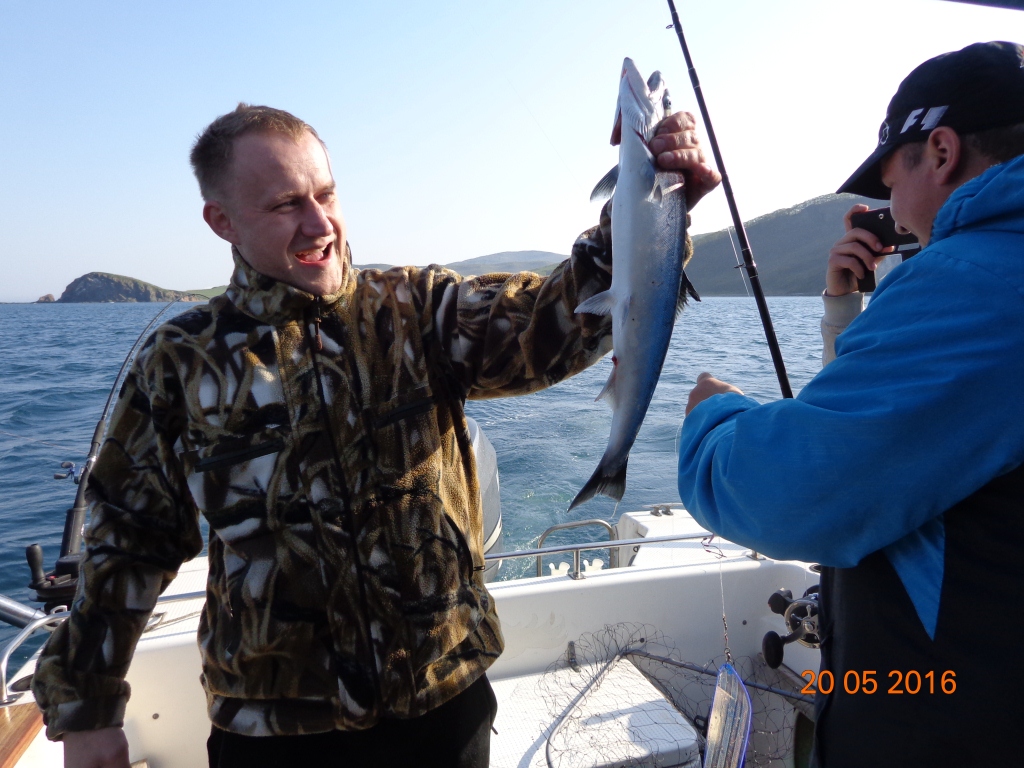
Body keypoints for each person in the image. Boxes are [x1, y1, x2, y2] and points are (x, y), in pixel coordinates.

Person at [31, 103, 721, 768]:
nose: (318, 224)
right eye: (285, 205)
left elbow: (555, 322)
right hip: (274, 730)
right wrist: (87, 709)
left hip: (442, 707)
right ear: (222, 221)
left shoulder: (418, 310)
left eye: (326, 194)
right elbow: (131, 539)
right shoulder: (179, 362)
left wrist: (651, 209)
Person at [677, 41, 1024, 767]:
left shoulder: (977, 282)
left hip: (947, 717)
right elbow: (898, 442)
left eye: (892, 181)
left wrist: (712, 418)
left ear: (941, 152)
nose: (890, 209)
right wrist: (844, 313)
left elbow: (801, 493)